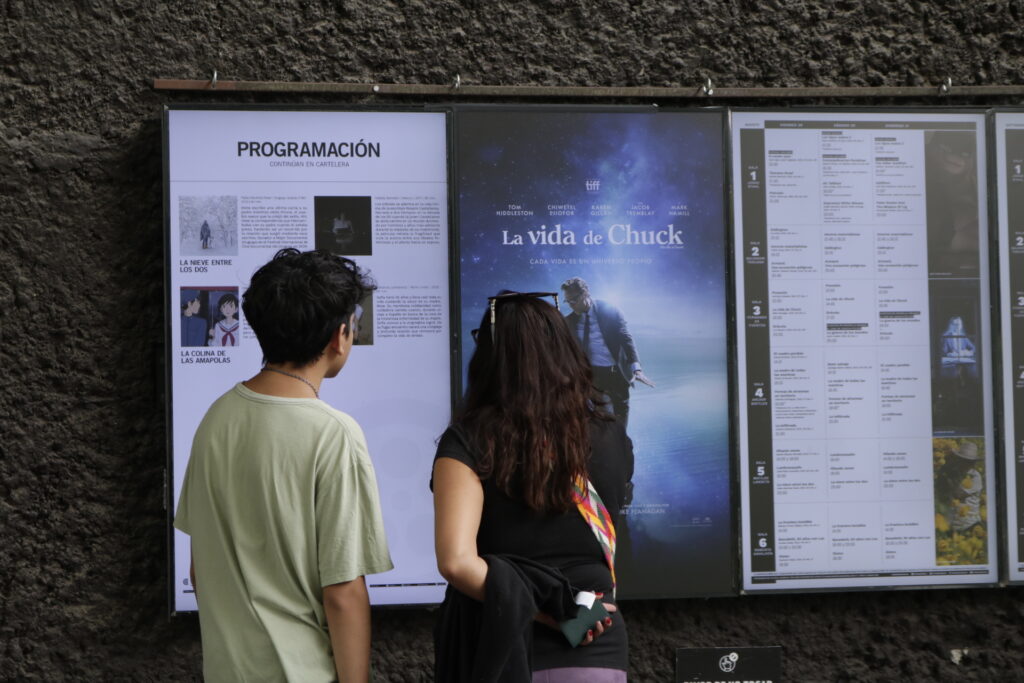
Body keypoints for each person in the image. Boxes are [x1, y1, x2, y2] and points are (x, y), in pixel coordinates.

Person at [174, 248, 393, 682]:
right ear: (340, 335)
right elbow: (344, 592)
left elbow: (200, 571)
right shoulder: (335, 434)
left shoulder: (216, 419)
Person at [433, 291, 634, 682]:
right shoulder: (611, 435)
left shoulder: (469, 441)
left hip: (503, 647)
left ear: (491, 358)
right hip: (596, 640)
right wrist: (575, 616)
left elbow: (457, 562)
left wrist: (549, 613)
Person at [560, 277, 653, 428]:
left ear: (585, 293)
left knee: (621, 414)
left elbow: (626, 338)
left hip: (616, 373)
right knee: (598, 417)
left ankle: (622, 443)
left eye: (574, 300)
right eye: (567, 301)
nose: (571, 305)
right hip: (593, 375)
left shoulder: (609, 310)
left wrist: (636, 369)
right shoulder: (569, 321)